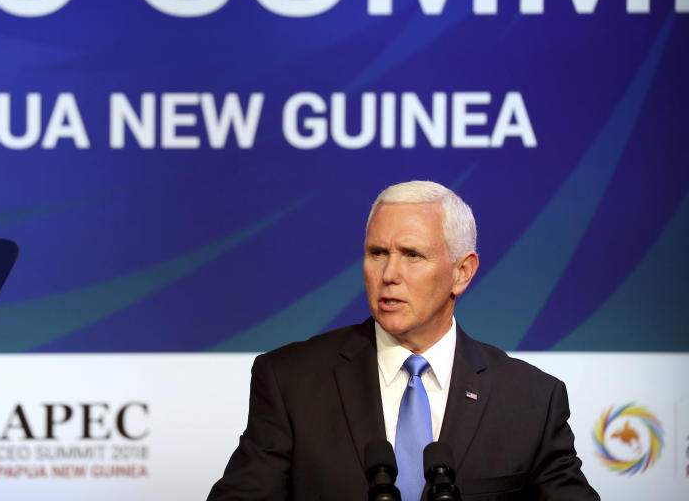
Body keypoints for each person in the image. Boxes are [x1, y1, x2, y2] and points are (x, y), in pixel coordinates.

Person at [207, 180, 599, 500]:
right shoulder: (291, 380)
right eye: (377, 253)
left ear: (462, 272)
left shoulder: (531, 399)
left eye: (412, 255)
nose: (389, 273)